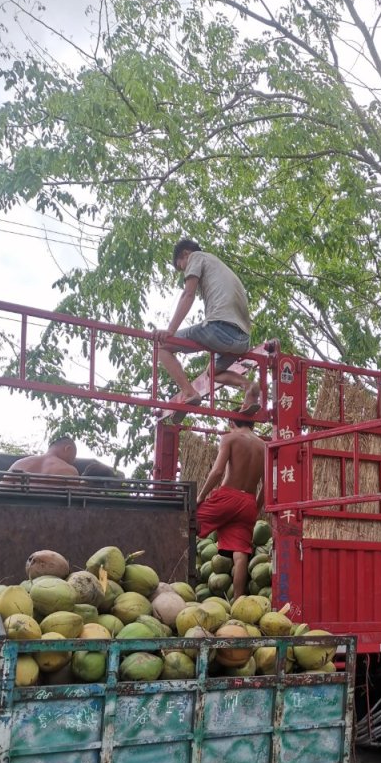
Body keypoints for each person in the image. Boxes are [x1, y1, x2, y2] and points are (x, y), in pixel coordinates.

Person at [155, 238, 261, 414]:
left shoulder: (196, 257)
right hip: (242, 339)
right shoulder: (217, 265)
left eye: (182, 267)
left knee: (161, 346)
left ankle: (189, 392)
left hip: (220, 329)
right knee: (213, 373)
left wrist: (170, 331)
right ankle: (248, 386)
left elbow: (188, 295)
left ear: (186, 254)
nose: (185, 272)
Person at [196, 417, 266, 599]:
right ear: (253, 424)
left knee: (188, 521)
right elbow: (267, 485)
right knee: (241, 553)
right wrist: (255, 507)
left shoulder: (230, 438)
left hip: (228, 496)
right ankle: (237, 600)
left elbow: (217, 471)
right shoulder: (264, 447)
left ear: (231, 423)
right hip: (249, 501)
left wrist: (201, 496)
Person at [0, 435, 80, 488]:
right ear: (68, 449)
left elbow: (0, 491)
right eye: (73, 457)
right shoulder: (69, 471)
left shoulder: (18, 464)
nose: (72, 462)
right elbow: (75, 503)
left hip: (15, 511)